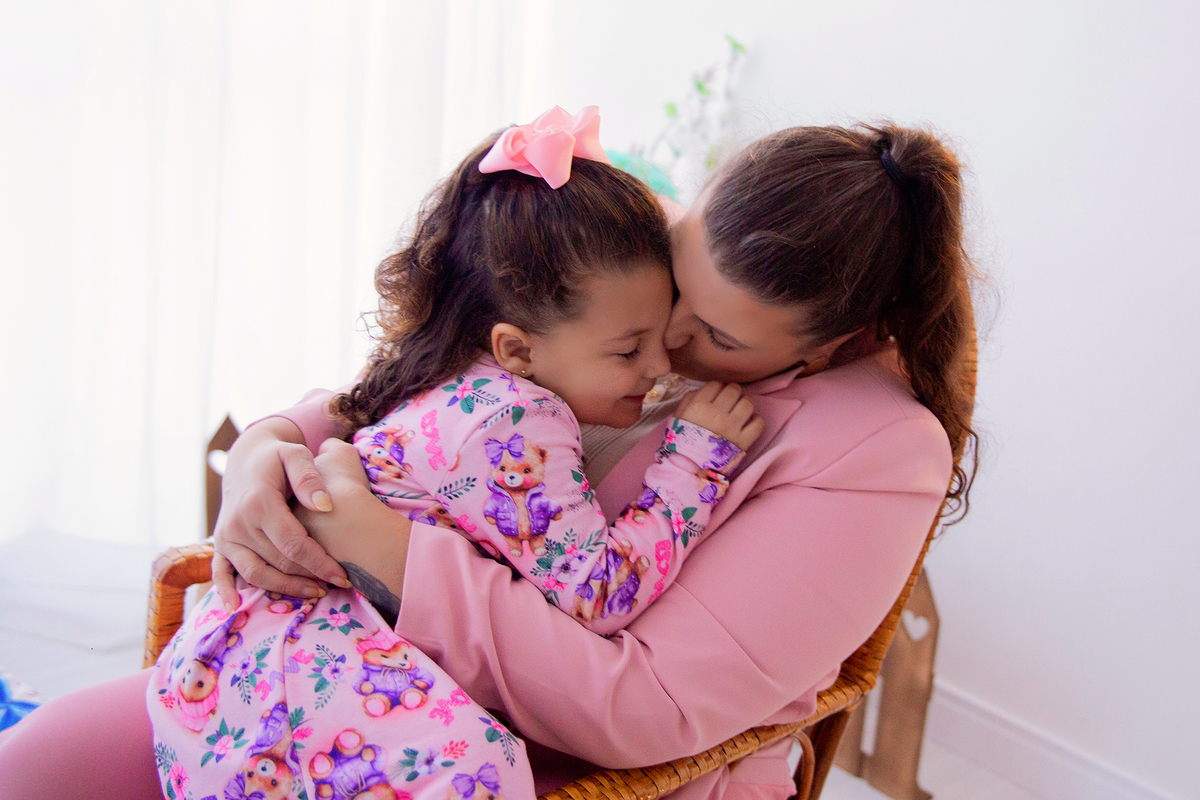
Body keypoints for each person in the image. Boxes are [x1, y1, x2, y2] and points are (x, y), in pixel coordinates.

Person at [0, 121, 976, 800]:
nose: (670, 337)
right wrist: (274, 447)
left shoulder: (876, 456)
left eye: (715, 334)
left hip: (544, 748)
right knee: (35, 762)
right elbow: (440, 387)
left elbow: (649, 707)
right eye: (677, 275)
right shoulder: (640, 277)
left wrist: (396, 552)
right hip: (348, 658)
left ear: (844, 339)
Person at [146, 106, 762, 800]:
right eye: (629, 349)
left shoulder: (449, 373)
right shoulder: (514, 422)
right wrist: (693, 463)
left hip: (233, 668)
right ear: (517, 349)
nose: (659, 366)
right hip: (299, 668)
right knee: (481, 770)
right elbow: (599, 594)